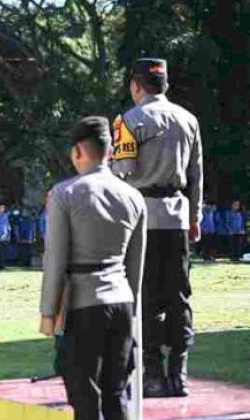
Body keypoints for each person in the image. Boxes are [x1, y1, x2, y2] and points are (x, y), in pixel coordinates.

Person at [40, 116, 147, 420]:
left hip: (83, 303)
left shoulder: (64, 194)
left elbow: (55, 258)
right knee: (115, 395)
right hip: (122, 301)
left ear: (77, 152)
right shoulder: (133, 196)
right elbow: (136, 264)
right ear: (110, 150)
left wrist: (47, 314)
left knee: (86, 401)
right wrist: (133, 310)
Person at [111, 58, 203, 397]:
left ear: (136, 86)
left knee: (144, 297)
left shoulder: (127, 121)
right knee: (179, 296)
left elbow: (122, 172)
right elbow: (196, 175)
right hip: (177, 216)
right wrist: (195, 217)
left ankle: (150, 374)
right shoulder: (188, 119)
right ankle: (179, 374)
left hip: (141, 220)